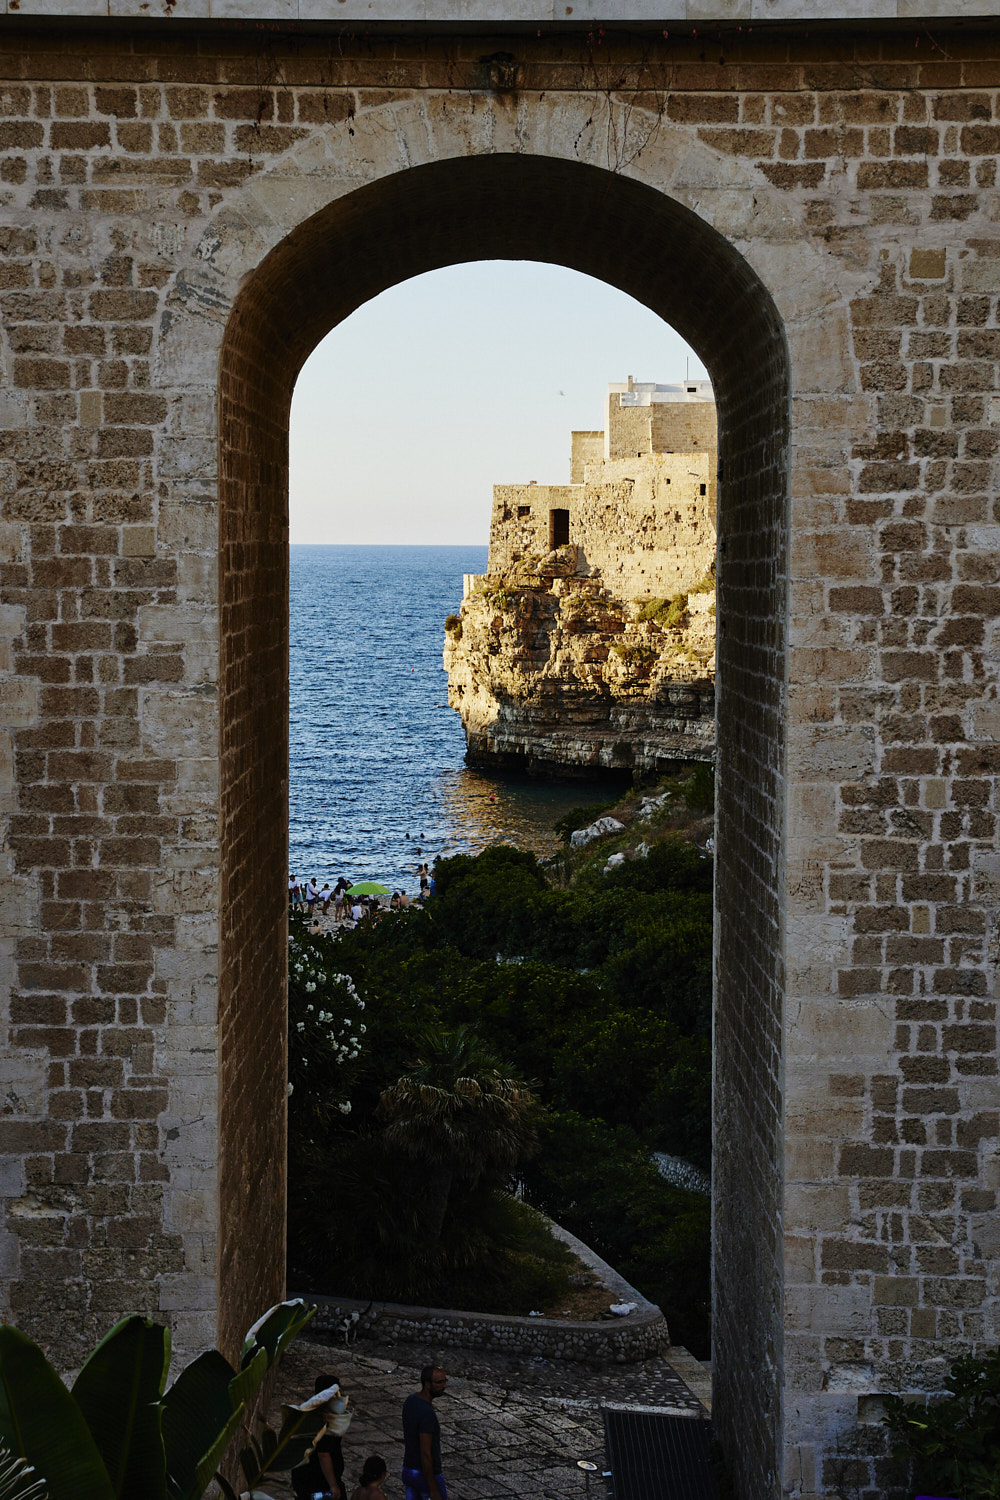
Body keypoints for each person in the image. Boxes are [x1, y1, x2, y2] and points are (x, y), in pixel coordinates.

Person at [292, 1374, 349, 1500]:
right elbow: (323, 1454)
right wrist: (333, 1485)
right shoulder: (325, 1419)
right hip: (317, 1481)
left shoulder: (308, 1410)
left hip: (303, 1479)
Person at [401, 1364, 448, 1500]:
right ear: (427, 1384)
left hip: (408, 1470)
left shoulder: (411, 1400)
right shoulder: (427, 1414)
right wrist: (433, 1489)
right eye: (439, 1382)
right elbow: (426, 1453)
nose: (444, 1386)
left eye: (445, 1381)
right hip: (423, 1475)